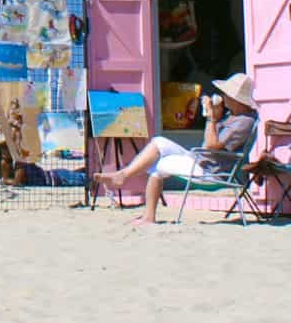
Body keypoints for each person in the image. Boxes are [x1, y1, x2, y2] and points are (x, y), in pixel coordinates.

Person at [95, 73, 260, 227]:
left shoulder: (243, 122)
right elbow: (212, 143)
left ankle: (147, 214)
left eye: (227, 94)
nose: (223, 97)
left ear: (237, 100)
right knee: (158, 142)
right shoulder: (233, 116)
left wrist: (211, 117)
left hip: (209, 170)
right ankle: (124, 176)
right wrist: (216, 117)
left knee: (158, 165)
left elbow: (211, 145)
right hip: (201, 160)